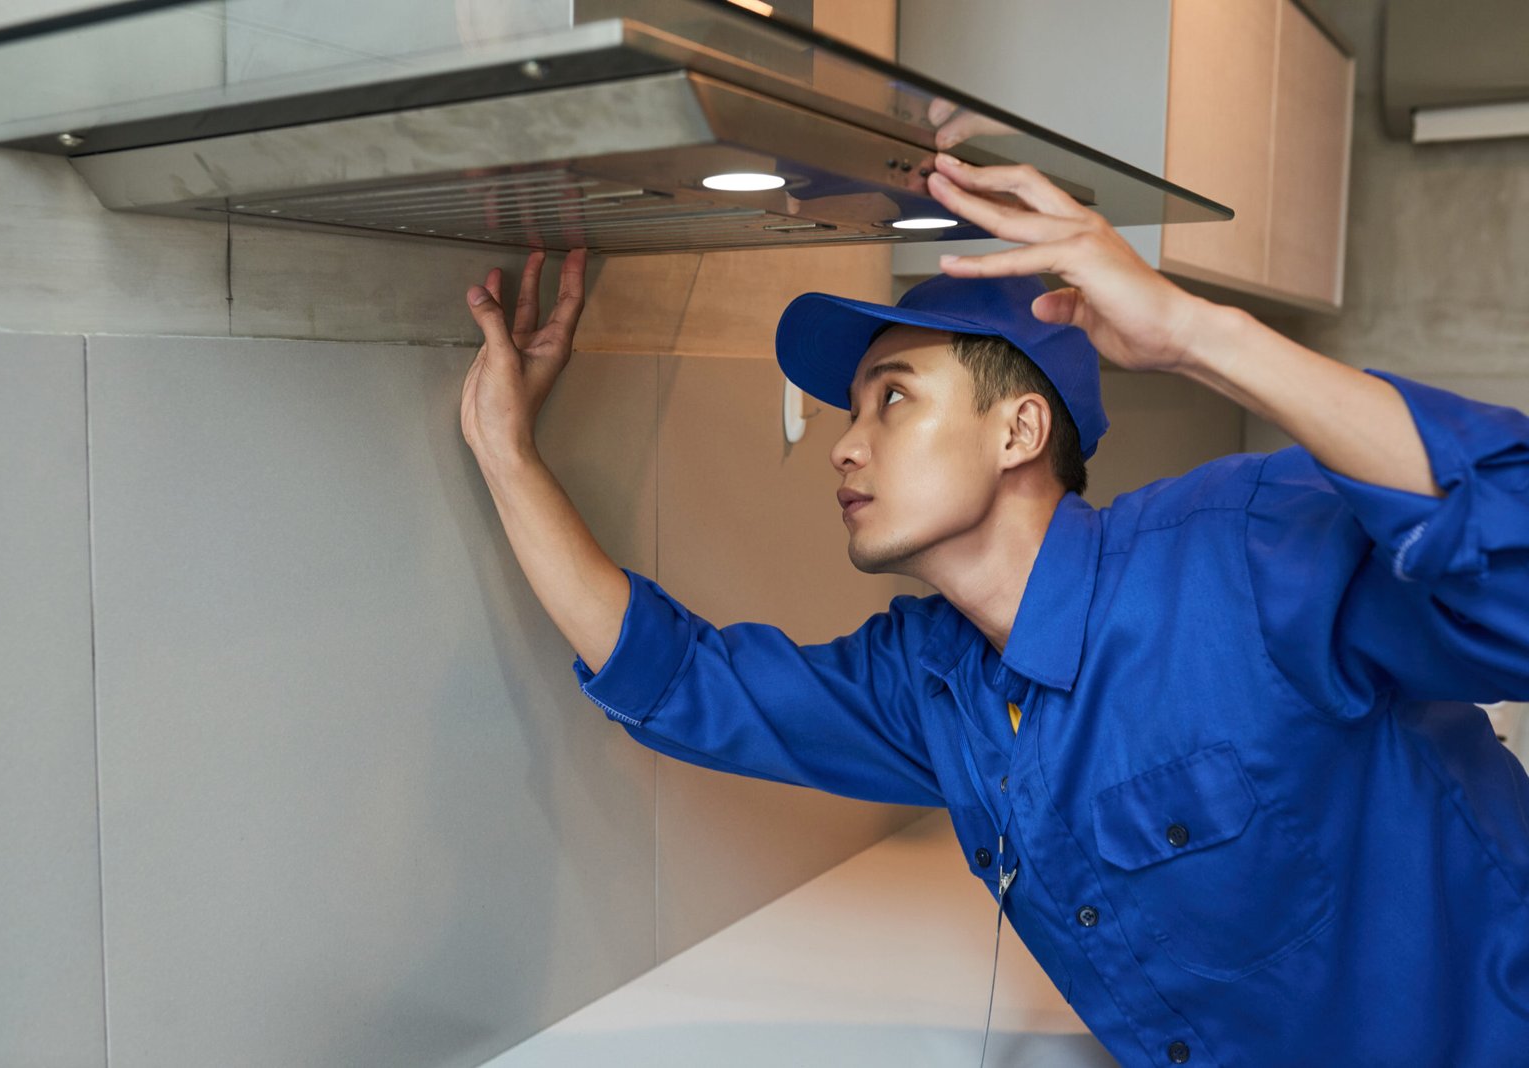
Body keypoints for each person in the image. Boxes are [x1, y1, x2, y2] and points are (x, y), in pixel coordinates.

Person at [457, 153, 1529, 1066]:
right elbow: (685, 683)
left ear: (1018, 433)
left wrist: (1201, 335)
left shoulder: (1240, 551)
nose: (844, 442)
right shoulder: (934, 683)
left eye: (893, 399)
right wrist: (505, 454)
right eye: (850, 409)